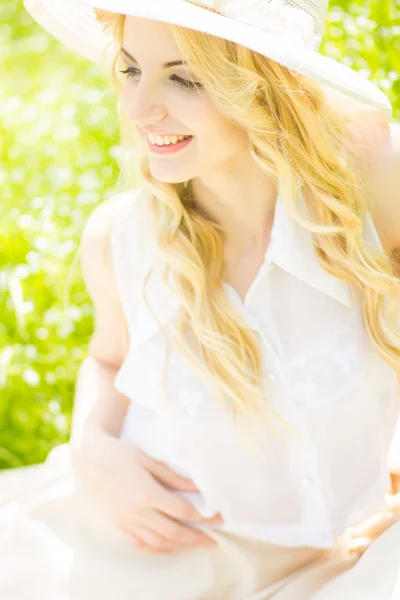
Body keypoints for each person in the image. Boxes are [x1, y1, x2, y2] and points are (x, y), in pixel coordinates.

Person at [1, 0, 400, 598]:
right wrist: (91, 447)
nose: (138, 108)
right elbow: (108, 359)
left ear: (265, 86)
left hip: (359, 550)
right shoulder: (121, 240)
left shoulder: (370, 182)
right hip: (170, 553)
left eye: (184, 78)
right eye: (132, 69)